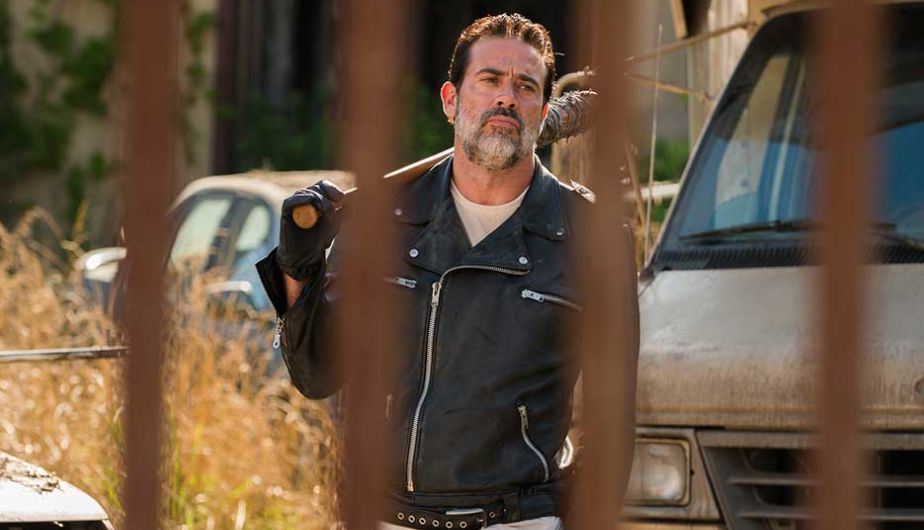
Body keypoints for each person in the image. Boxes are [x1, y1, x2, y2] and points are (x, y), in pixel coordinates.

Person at [256, 13, 639, 530]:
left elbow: (613, 427)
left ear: (544, 112)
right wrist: (299, 266)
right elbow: (317, 374)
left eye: (525, 86)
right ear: (450, 100)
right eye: (489, 79)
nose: (507, 98)